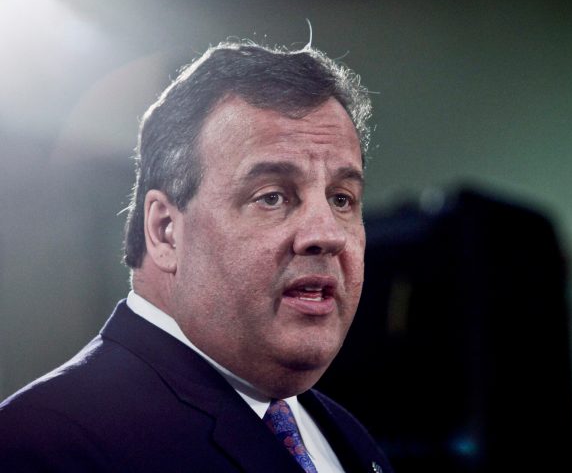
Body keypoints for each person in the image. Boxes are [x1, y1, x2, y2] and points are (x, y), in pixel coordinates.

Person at [0, 39, 392, 473]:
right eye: (273, 196)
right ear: (165, 230)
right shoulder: (46, 442)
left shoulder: (349, 438)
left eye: (341, 199)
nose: (327, 234)